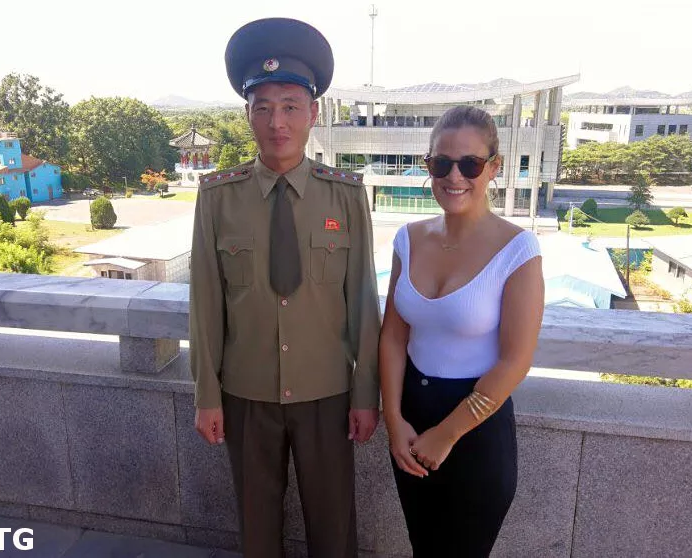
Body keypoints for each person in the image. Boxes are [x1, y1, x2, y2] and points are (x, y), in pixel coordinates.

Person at [188, 18, 381, 558]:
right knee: (256, 526)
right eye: (264, 107)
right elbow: (204, 305)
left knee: (333, 527)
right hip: (246, 394)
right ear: (247, 114)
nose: (278, 122)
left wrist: (366, 395)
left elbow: (363, 302)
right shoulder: (218, 198)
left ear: (313, 113)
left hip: (326, 393)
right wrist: (207, 395)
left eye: (291, 106)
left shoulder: (344, 197)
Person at [379, 106, 545, 557]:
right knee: (423, 547)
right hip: (412, 419)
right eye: (442, 163)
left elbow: (516, 361)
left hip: (475, 426)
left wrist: (447, 434)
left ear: (494, 167)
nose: (455, 176)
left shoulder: (517, 248)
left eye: (470, 164)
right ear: (428, 164)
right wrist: (394, 421)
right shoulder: (408, 239)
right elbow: (393, 336)